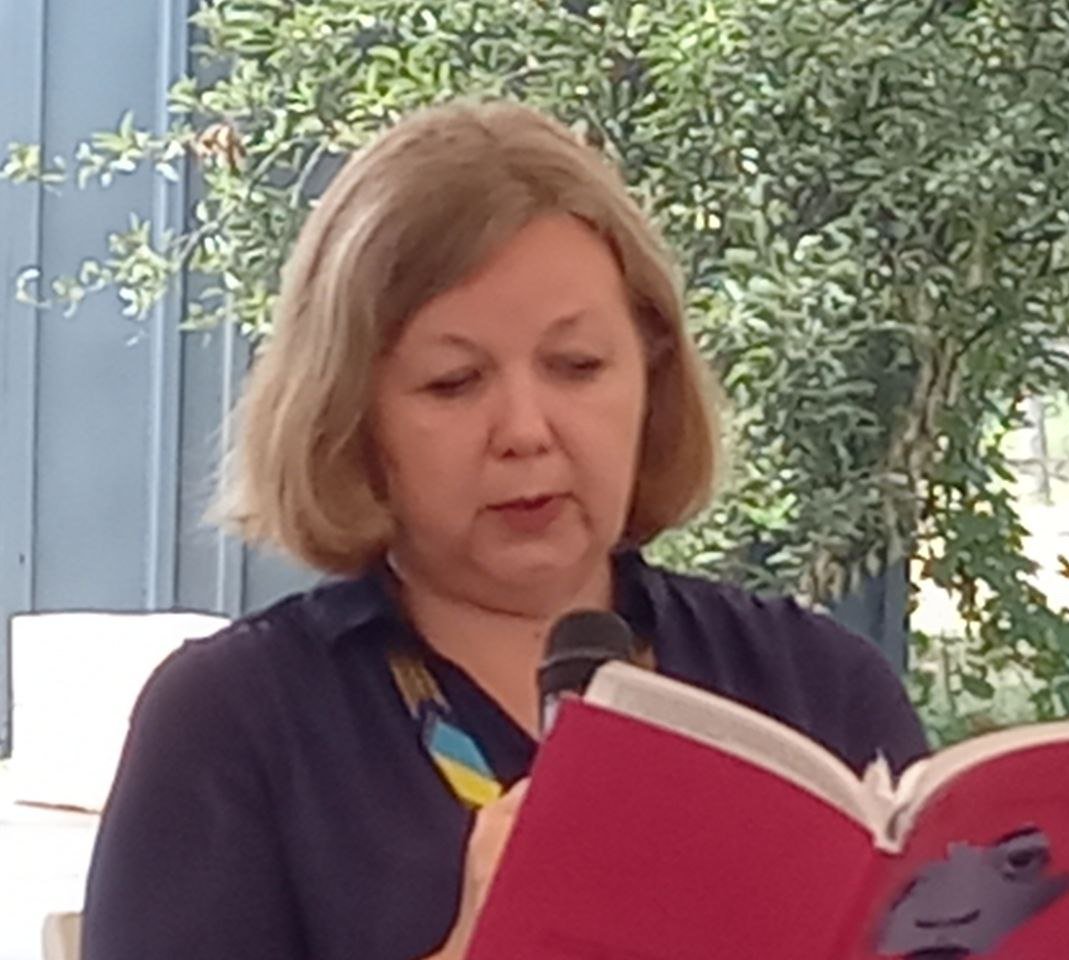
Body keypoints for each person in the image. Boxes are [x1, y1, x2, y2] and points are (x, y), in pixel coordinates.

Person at [81, 99, 928, 960]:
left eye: (577, 367)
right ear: (352, 416)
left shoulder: (816, 684)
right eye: (454, 382)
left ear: (651, 376)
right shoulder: (233, 723)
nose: (525, 430)